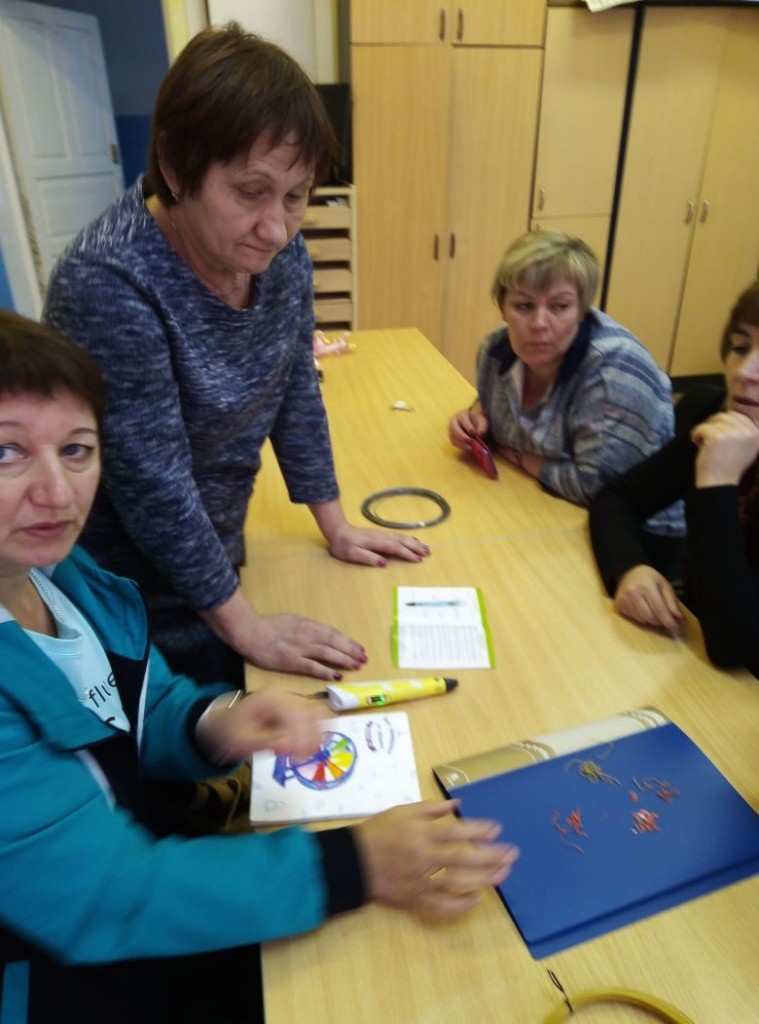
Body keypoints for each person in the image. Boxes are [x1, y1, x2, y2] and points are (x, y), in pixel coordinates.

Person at [0, 310, 518, 1024]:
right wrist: (358, 864)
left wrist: (216, 721)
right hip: (55, 978)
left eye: (77, 450)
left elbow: (135, 705)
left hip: (130, 877)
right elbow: (106, 897)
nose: (58, 493)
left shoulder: (60, 574)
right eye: (7, 452)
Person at [44, 23, 428, 692]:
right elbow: (155, 483)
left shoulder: (280, 255)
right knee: (192, 733)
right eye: (250, 192)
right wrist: (245, 625)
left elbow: (294, 388)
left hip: (220, 557)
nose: (276, 229)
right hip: (131, 592)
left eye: (296, 196)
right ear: (175, 167)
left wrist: (335, 525)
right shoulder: (107, 281)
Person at [448, 231, 683, 539]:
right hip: (539, 506)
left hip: (636, 537)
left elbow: (599, 488)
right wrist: (476, 419)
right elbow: (492, 409)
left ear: (582, 311)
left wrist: (517, 456)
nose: (539, 324)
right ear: (502, 307)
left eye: (559, 307)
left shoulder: (612, 372)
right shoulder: (495, 350)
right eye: (523, 306)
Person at [589, 281, 759, 676]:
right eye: (740, 347)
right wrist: (631, 567)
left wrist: (716, 482)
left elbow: (735, 644)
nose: (745, 373)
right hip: (691, 652)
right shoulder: (712, 412)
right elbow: (616, 499)